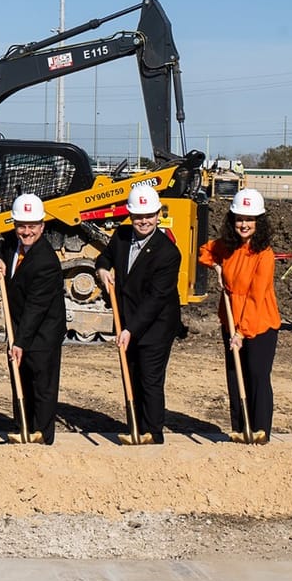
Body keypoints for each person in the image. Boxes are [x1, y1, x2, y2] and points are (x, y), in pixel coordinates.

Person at [96, 187, 182, 445]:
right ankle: (135, 426)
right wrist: (101, 270)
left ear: (157, 215)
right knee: (130, 373)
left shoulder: (168, 253)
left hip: (156, 325)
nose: (143, 221)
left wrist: (130, 329)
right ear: (130, 216)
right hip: (128, 320)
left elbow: (155, 300)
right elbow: (105, 256)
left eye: (149, 216)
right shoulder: (121, 236)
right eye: (137, 216)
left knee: (149, 377)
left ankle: (153, 433)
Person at [198, 188, 279, 444]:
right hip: (231, 320)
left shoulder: (264, 255)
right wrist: (217, 266)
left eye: (249, 219)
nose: (244, 224)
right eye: (240, 219)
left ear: (259, 222)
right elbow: (204, 251)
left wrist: (241, 333)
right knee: (235, 375)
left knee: (256, 374)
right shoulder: (227, 247)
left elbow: (256, 297)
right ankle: (240, 428)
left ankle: (260, 430)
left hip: (259, 322)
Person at [0, 194, 66, 445]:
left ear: (42, 227)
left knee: (41, 386)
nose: (26, 232)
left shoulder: (45, 261)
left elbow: (36, 307)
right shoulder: (13, 243)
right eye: (22, 226)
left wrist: (19, 343)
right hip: (20, 327)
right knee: (19, 378)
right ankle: (22, 427)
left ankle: (42, 436)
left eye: (32, 226)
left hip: (42, 332)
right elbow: (0, 248)